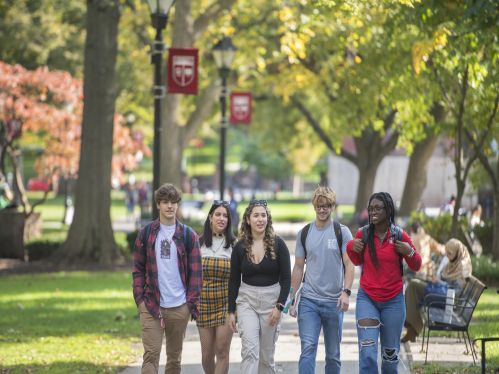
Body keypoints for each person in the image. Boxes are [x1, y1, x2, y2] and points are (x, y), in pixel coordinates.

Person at [347, 192, 421, 374]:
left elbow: (417, 265)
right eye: (370, 209)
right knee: (368, 352)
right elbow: (356, 261)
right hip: (367, 300)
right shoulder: (362, 233)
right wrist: (351, 246)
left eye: (377, 208)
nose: (373, 212)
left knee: (389, 357)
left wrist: (409, 251)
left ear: (388, 210)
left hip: (393, 302)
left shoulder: (399, 235)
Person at [132, 183, 202, 374]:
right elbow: (138, 270)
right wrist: (140, 301)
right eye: (165, 202)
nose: (169, 206)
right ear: (158, 205)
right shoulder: (145, 234)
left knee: (174, 360)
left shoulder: (189, 236)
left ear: (178, 205)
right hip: (151, 305)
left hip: (179, 306)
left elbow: (196, 275)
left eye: (173, 202)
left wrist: (189, 305)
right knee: (150, 356)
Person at [288, 186, 354, 374]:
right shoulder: (305, 233)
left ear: (332, 206)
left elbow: (349, 264)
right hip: (309, 301)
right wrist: (292, 298)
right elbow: (298, 267)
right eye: (318, 206)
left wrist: (346, 292)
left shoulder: (342, 232)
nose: (322, 210)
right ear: (314, 207)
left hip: (334, 303)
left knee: (333, 354)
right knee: (308, 348)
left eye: (326, 206)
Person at [228, 200, 291, 374]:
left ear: (268, 219)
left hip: (272, 303)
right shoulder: (239, 248)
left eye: (263, 215)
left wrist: (280, 306)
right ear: (248, 219)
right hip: (247, 301)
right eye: (256, 215)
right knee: (249, 353)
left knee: (265, 358)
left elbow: (286, 279)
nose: (260, 219)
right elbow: (234, 281)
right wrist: (231, 311)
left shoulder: (279, 245)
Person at [402, 238, 472, 343]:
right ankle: (412, 328)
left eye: (450, 254)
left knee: (413, 285)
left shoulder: (461, 266)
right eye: (446, 253)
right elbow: (446, 279)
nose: (447, 256)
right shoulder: (453, 263)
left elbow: (456, 290)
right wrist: (437, 279)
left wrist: (439, 281)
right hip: (440, 292)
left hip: (446, 299)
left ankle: (413, 328)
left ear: (457, 253)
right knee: (412, 286)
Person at [197, 200, 238, 374]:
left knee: (221, 351)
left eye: (225, 216)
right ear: (210, 217)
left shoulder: (236, 246)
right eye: (218, 214)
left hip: (226, 305)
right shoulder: (197, 243)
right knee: (207, 355)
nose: (222, 218)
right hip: (203, 304)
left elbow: (240, 278)